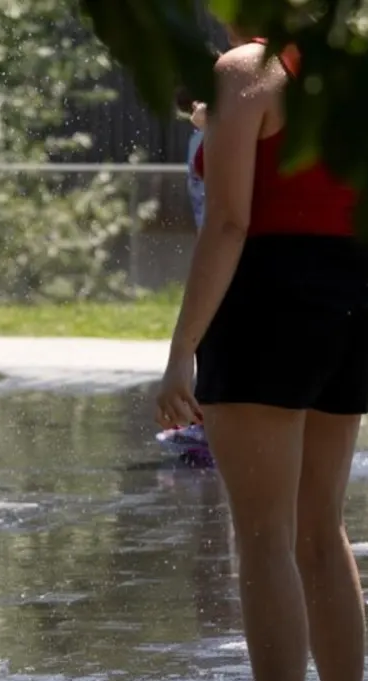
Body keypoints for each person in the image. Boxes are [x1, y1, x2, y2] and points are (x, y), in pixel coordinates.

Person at [153, 31, 368, 681]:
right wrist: (212, 118)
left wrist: (180, 354)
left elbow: (228, 223)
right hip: (357, 286)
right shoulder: (351, 67)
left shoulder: (245, 70)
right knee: (321, 531)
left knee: (264, 540)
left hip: (270, 296)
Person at [155, 89, 213, 467]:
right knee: (210, 337)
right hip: (214, 243)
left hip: (230, 246)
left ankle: (212, 427)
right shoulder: (200, 133)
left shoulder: (215, 130)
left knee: (214, 337)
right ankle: (207, 422)